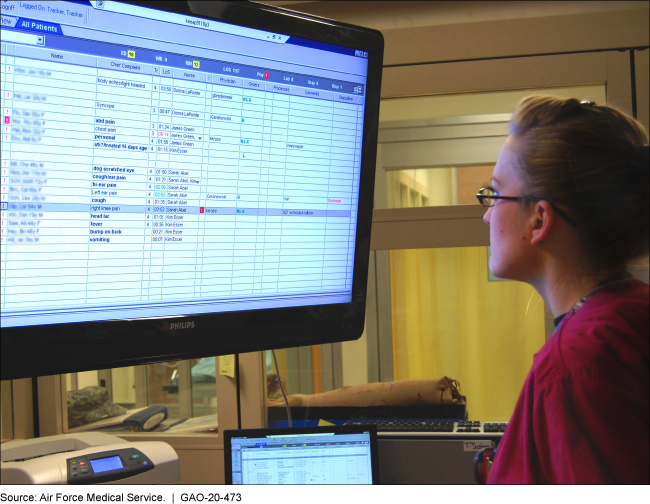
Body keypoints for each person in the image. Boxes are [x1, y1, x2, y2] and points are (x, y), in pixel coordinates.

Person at [477, 95, 649, 484]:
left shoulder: (578, 365)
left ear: (539, 219)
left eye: (496, 193)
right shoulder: (631, 313)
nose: (487, 214)